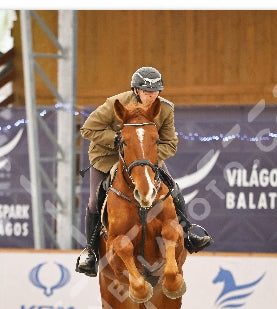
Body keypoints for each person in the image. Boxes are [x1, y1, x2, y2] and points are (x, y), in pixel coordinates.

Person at [76, 66, 212, 277]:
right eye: (147, 91)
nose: (152, 95)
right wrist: (116, 140)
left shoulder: (165, 109)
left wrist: (146, 156)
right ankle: (91, 253)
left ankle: (187, 234)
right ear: (135, 90)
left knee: (173, 188)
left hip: (144, 159)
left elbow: (170, 143)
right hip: (107, 157)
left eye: (156, 91)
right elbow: (88, 129)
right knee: (95, 201)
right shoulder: (115, 104)